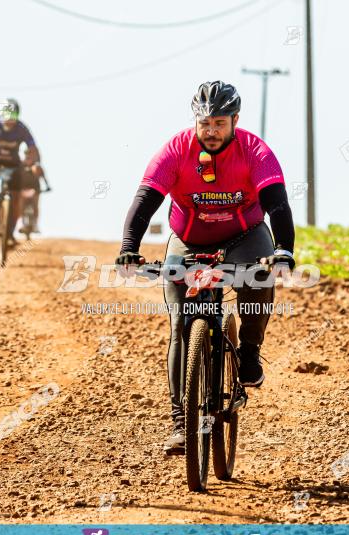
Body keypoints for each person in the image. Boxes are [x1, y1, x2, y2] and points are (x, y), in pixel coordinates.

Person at [115, 81, 296, 455]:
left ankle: (248, 351)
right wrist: (129, 249)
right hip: (189, 240)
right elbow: (145, 201)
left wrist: (283, 250)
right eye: (204, 124)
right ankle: (181, 424)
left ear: (235, 121)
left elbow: (276, 205)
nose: (211, 131)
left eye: (219, 123)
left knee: (259, 279)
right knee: (181, 324)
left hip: (244, 235)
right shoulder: (176, 149)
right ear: (195, 122)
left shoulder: (255, 150)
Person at [0, 98, 42, 240]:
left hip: (12, 161)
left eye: (13, 117)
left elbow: (33, 148)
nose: (9, 120)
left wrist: (34, 162)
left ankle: (9, 231)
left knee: (16, 197)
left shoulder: (22, 129)